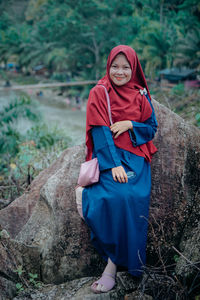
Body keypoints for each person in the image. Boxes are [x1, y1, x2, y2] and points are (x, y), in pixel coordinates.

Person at [76, 45, 158, 294]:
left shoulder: (141, 94)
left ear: (133, 69)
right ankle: (112, 266)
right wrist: (113, 166)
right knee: (114, 196)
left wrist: (130, 124)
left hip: (136, 159)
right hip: (111, 157)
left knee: (135, 197)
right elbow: (100, 131)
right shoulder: (99, 92)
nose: (119, 72)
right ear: (108, 66)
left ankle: (123, 263)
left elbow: (151, 127)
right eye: (115, 66)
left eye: (125, 67)